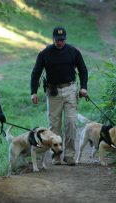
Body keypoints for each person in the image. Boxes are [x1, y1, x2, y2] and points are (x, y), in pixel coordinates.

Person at [30, 27, 88, 166]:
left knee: (71, 123)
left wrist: (84, 87)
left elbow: (83, 70)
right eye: (57, 39)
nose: (60, 42)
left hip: (70, 90)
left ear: (65, 39)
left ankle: (69, 155)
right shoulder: (45, 53)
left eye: (62, 40)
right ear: (53, 38)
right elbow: (36, 72)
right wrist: (33, 92)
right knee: (54, 126)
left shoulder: (73, 52)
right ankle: (56, 156)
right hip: (53, 92)